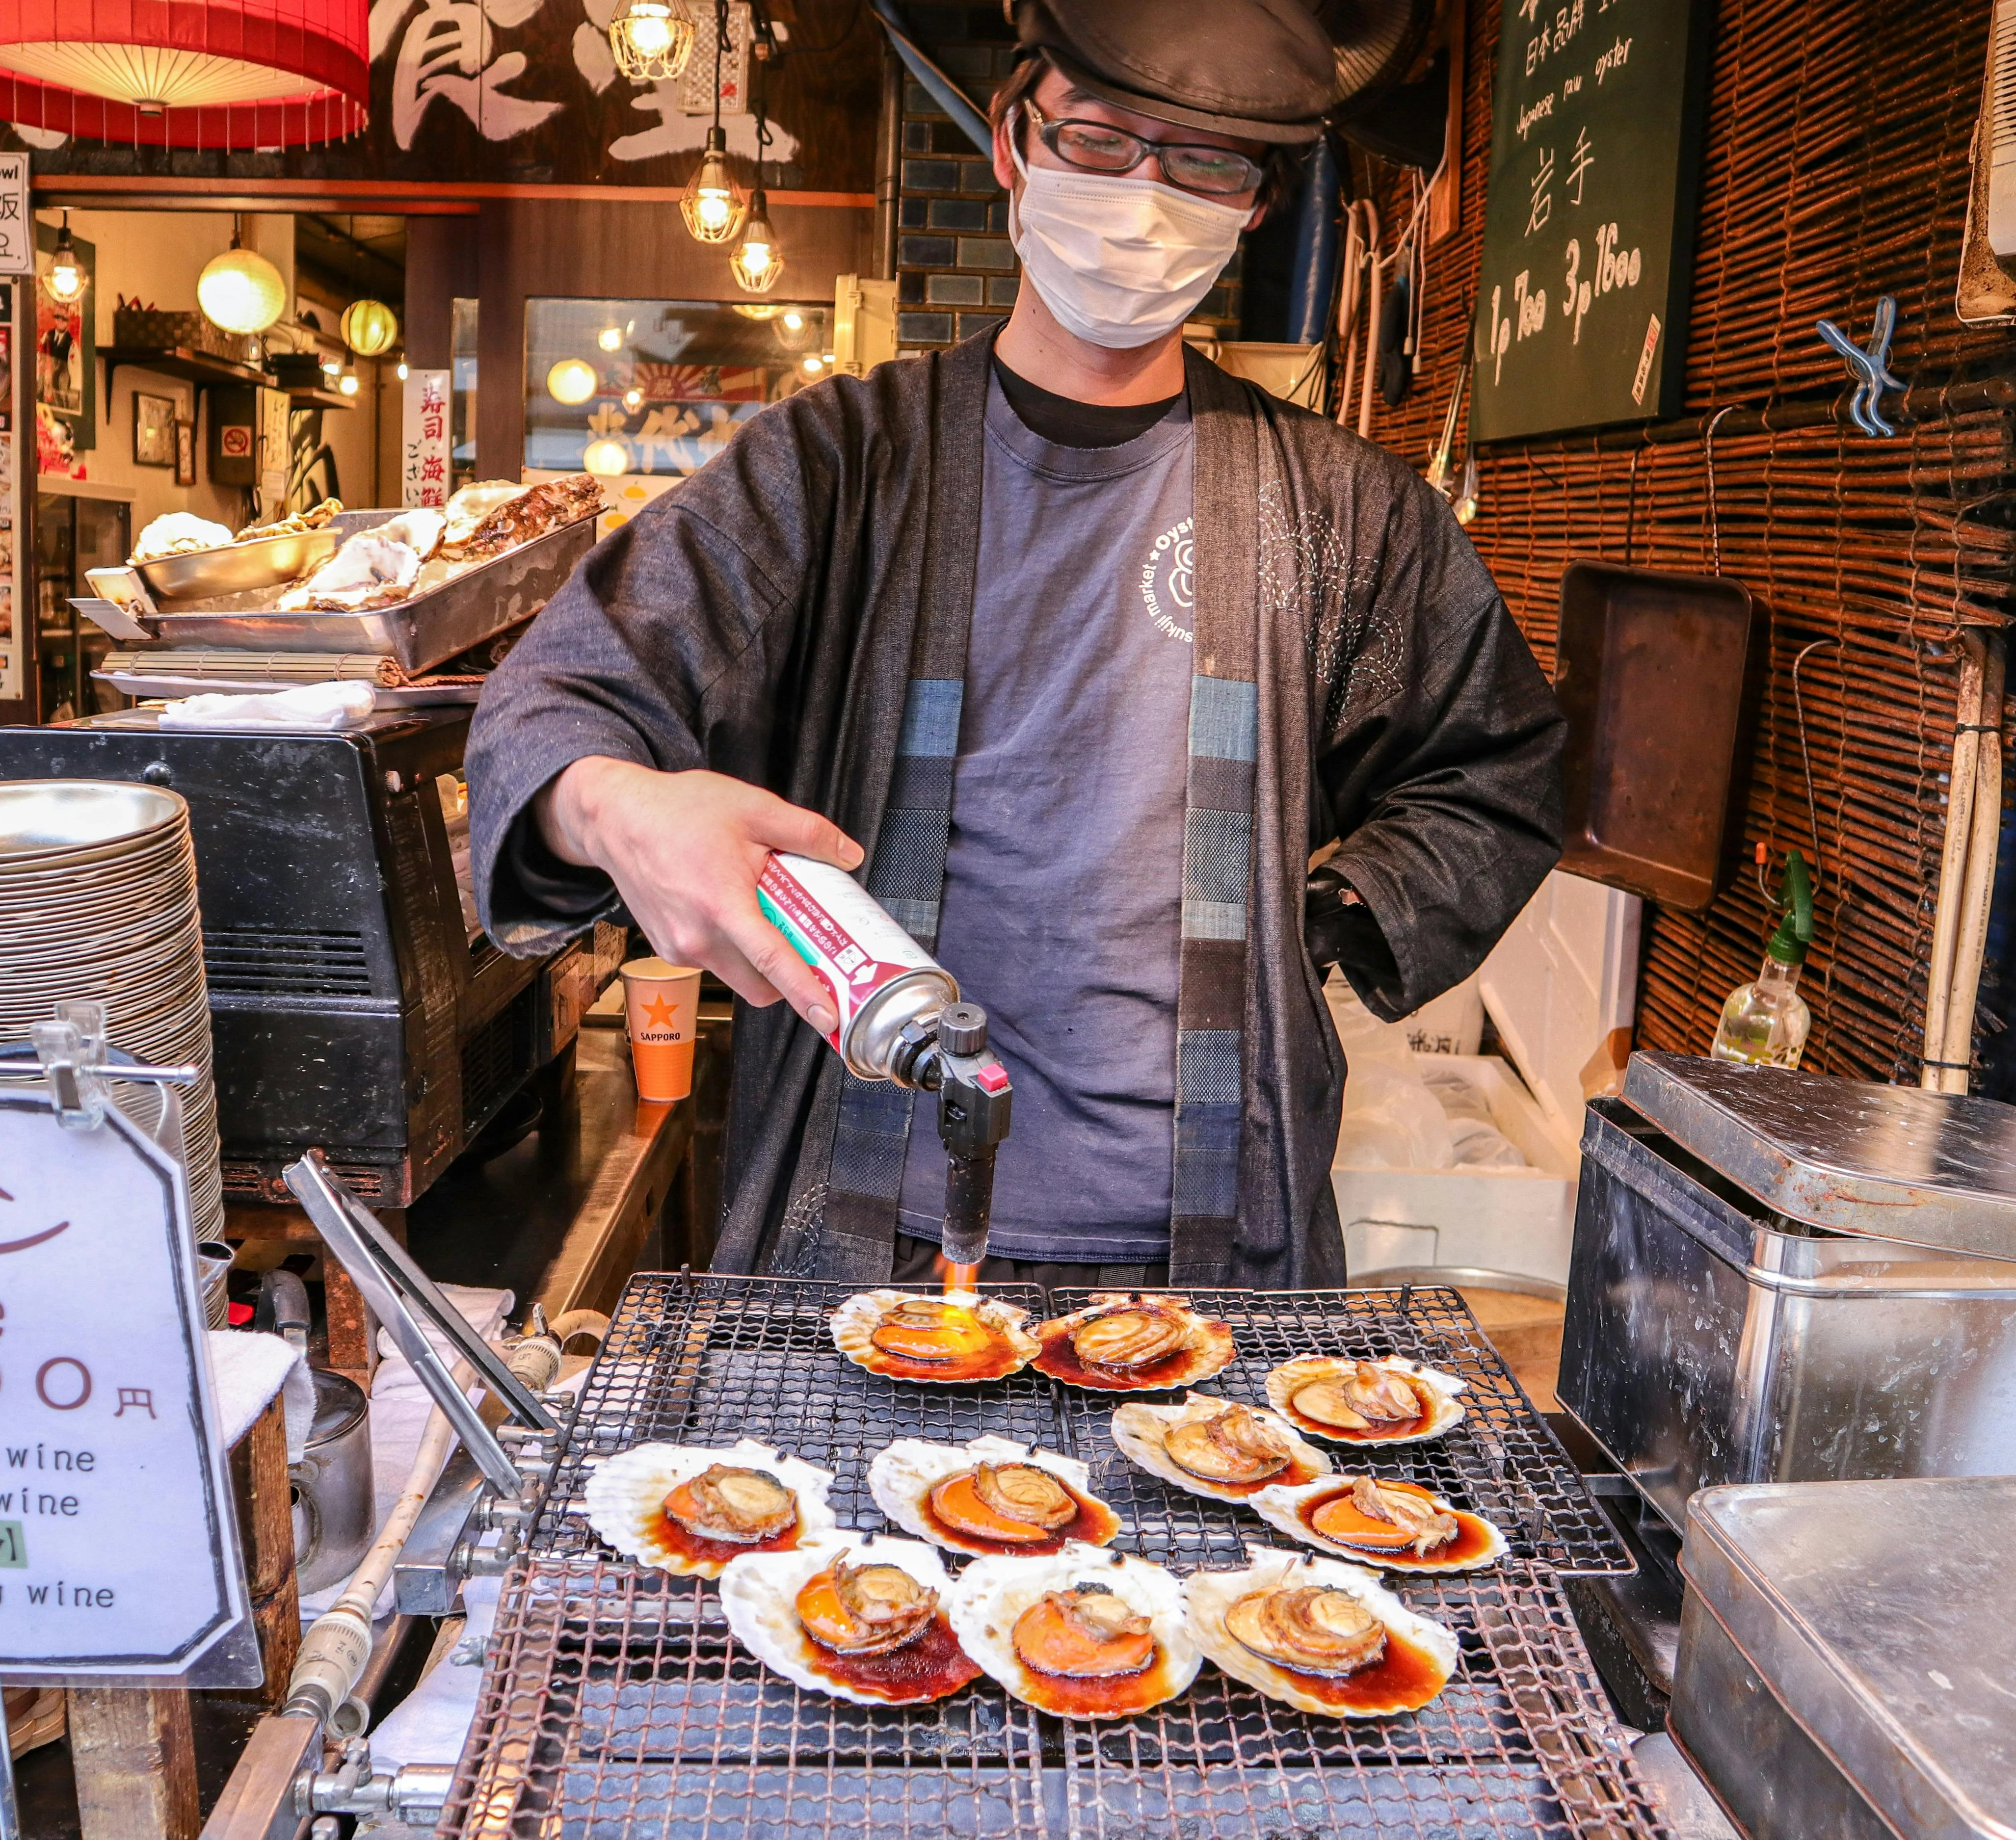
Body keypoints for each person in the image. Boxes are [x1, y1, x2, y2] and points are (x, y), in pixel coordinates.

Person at [469, 0, 1564, 1291]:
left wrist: (1314, 918)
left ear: (1256, 203)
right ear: (1011, 138)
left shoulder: (1346, 512)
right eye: (1100, 141)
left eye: (1204, 161)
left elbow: (1500, 769)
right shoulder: (837, 465)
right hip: (861, 1255)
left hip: (1215, 1266)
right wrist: (620, 806)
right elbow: (558, 695)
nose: (1144, 199)